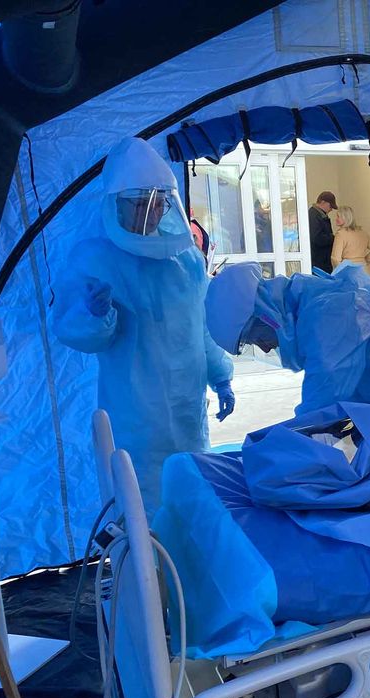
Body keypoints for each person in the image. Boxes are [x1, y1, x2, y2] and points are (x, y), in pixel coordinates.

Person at [51, 137, 235, 510]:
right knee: (142, 508)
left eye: (159, 203)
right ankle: (146, 569)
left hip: (188, 411)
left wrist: (221, 376)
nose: (150, 214)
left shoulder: (185, 262)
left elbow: (200, 326)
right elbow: (75, 332)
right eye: (139, 205)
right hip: (134, 414)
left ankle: (187, 570)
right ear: (115, 205)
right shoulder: (95, 259)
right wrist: (95, 315)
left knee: (193, 500)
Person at [205, 261, 370, 415]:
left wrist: (285, 443)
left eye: (255, 337)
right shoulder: (313, 306)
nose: (264, 348)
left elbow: (322, 400)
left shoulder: (328, 314)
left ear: (264, 315)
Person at [331, 206, 370, 274]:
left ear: (345, 218)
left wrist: (340, 272)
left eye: (338, 216)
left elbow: (335, 259)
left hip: (348, 270)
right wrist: (365, 260)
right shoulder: (362, 233)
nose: (336, 219)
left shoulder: (340, 234)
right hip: (363, 270)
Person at [308, 191, 337, 273]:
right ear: (323, 202)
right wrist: (333, 238)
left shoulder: (318, 214)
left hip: (321, 261)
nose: (331, 209)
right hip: (319, 262)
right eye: (330, 206)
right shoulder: (314, 215)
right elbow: (316, 238)